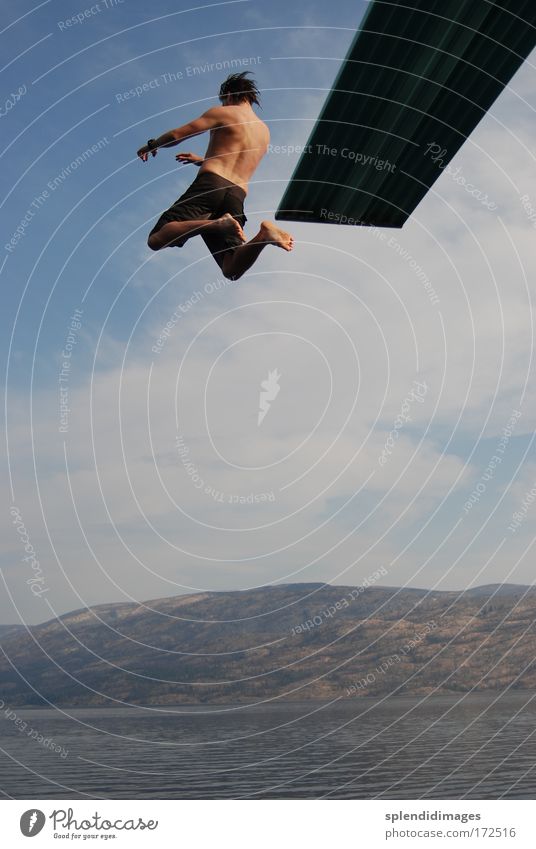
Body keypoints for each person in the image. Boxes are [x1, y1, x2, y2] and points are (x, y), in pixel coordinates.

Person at [137, 72, 294, 280]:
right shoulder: (264, 132)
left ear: (229, 95)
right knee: (231, 269)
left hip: (210, 186)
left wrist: (152, 144)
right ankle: (263, 236)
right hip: (237, 195)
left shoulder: (224, 113)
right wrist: (203, 160)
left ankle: (216, 224)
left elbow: (177, 135)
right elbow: (235, 163)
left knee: (156, 239)